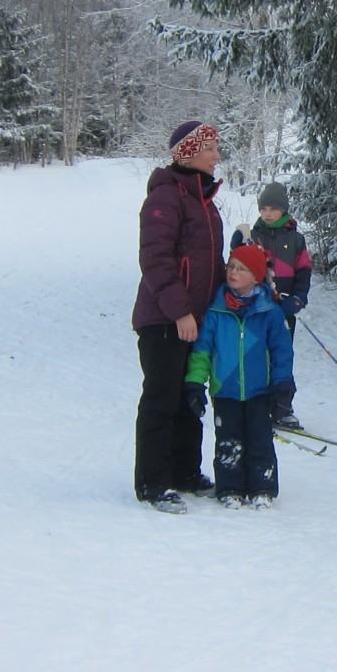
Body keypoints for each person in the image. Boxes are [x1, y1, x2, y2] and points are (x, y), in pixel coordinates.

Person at [131, 120, 224, 513]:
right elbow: (155, 260)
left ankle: (185, 472)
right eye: (210, 149)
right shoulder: (165, 198)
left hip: (196, 320)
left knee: (190, 398)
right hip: (164, 320)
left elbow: (211, 265)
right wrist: (181, 311)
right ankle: (152, 482)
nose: (217, 156)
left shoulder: (203, 201)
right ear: (187, 153)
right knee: (161, 399)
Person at [188, 245, 294, 508]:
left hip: (259, 389)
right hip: (225, 390)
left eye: (241, 268)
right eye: (231, 266)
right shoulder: (216, 310)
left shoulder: (269, 311)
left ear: (256, 277)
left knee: (260, 439)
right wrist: (195, 383)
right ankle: (230, 487)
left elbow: (281, 351)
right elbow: (202, 350)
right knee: (228, 441)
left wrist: (283, 385)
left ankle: (262, 487)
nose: (233, 272)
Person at [230, 180, 312, 430]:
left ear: (283, 210)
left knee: (282, 357)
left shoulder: (296, 239)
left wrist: (297, 299)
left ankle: (282, 407)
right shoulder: (252, 236)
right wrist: (236, 245)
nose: (267, 213)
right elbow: (239, 265)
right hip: (257, 308)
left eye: (273, 209)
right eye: (263, 208)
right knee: (256, 355)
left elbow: (304, 271)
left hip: (284, 310)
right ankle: (255, 404)